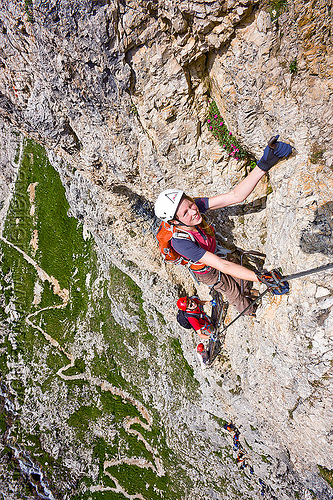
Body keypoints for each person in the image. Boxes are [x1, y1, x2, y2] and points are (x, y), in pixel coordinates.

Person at [154, 138, 292, 314]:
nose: (193, 212)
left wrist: (263, 165)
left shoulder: (193, 208)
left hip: (213, 253)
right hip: (206, 271)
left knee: (240, 279)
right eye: (185, 213)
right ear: (175, 222)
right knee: (232, 291)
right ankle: (250, 311)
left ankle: (250, 291)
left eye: (190, 205)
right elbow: (222, 266)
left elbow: (235, 196)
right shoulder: (180, 243)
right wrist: (262, 278)